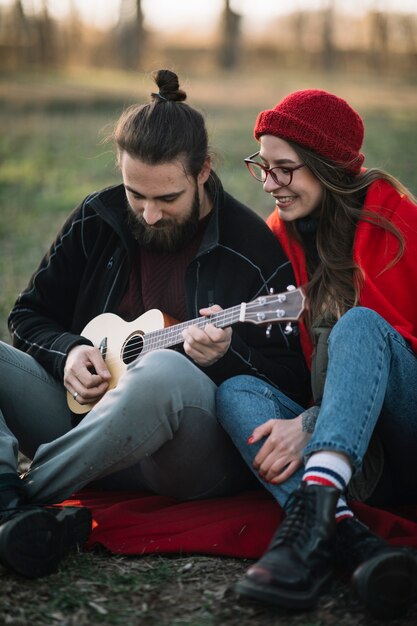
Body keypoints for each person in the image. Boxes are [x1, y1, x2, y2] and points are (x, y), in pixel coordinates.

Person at [0, 70, 309, 579]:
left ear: (203, 170)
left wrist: (225, 355)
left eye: (167, 199)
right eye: (135, 194)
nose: (147, 214)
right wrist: (70, 350)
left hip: (184, 458)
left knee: (162, 370)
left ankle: (18, 503)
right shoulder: (99, 216)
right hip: (86, 426)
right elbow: (27, 315)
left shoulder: (251, 251)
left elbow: (293, 386)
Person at [216, 89, 417, 619]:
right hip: (353, 455)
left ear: (329, 168)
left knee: (360, 326)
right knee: (237, 391)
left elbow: (401, 348)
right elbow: (278, 361)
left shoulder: (395, 224)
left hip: (406, 433)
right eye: (263, 166)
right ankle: (350, 537)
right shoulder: (277, 237)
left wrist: (310, 420)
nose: (271, 184)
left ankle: (313, 513)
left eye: (286, 169)